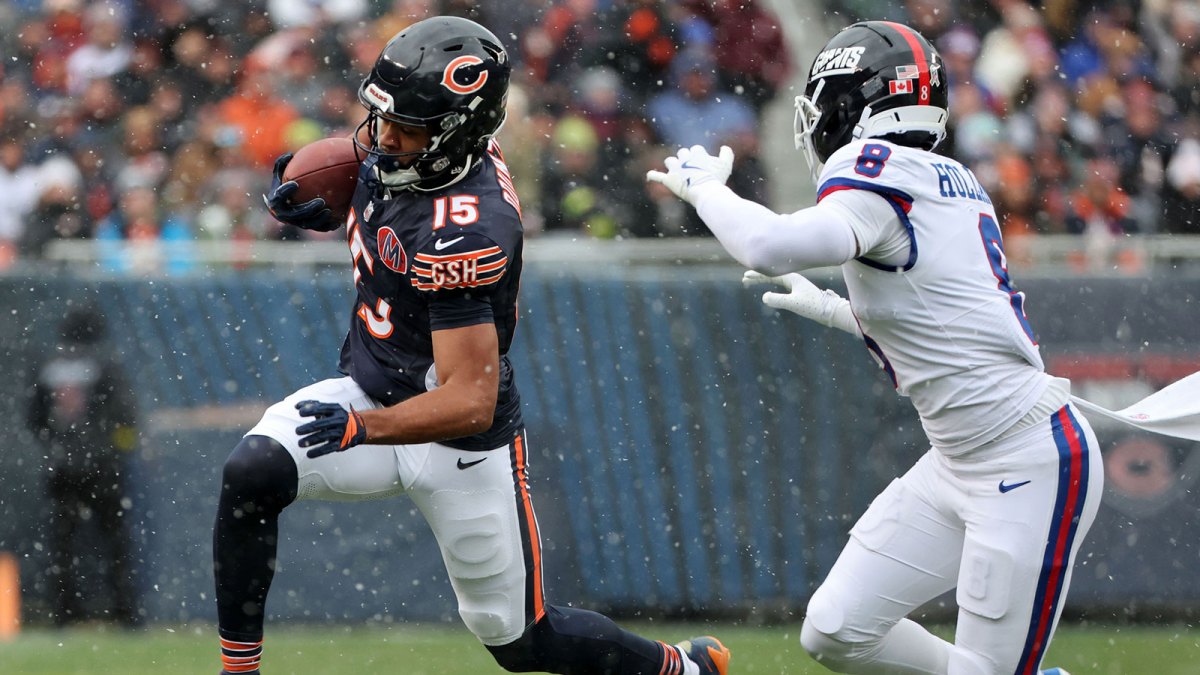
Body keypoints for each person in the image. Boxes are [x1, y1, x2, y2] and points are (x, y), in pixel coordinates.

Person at [213, 16, 729, 675]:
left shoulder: (466, 226)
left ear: (456, 133)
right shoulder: (414, 147)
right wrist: (315, 187)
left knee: (522, 644)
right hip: (371, 390)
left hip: (454, 438)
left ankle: (683, 669)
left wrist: (361, 427)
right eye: (382, 118)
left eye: (407, 129)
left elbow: (469, 400)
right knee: (251, 471)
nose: (382, 138)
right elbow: (366, 161)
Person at [647, 20, 1099, 675]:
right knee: (835, 629)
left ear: (855, 103)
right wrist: (837, 308)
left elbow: (768, 247)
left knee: (984, 671)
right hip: (961, 456)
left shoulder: (878, 166)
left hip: (1025, 459)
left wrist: (706, 188)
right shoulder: (947, 177)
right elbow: (941, 326)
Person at [28, 306, 140, 627]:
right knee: (115, 541)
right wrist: (120, 449)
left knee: (62, 543)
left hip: (62, 467)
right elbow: (125, 414)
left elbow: (33, 417)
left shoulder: (49, 365)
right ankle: (124, 612)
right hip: (103, 466)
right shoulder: (105, 364)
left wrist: (55, 446)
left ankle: (64, 612)